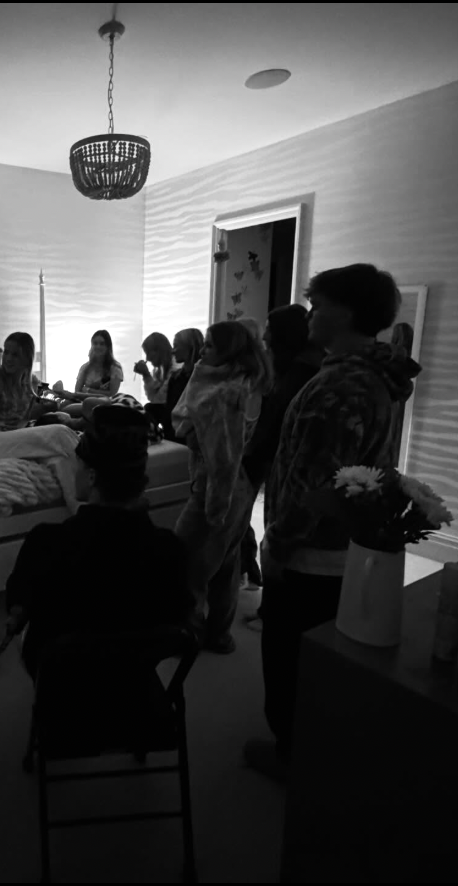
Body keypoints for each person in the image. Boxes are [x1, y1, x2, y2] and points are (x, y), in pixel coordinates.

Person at [245, 264, 421, 782]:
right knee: (315, 658)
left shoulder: (341, 385)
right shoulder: (374, 373)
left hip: (311, 553)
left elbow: (314, 484)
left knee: (287, 660)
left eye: (317, 304)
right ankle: (308, 748)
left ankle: (290, 755)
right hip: (341, 548)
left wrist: (276, 545)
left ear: (344, 312)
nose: (311, 314)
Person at [4, 403, 193, 680]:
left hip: (63, 692)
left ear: (92, 475)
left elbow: (17, 614)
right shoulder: (170, 551)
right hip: (134, 692)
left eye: (76, 463)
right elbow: (177, 626)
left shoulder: (45, 544)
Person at [171, 320, 272, 654]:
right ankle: (219, 634)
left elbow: (219, 454)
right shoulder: (242, 383)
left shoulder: (228, 393)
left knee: (187, 560)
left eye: (211, 345)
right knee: (225, 561)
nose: (203, 352)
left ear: (230, 351)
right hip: (236, 484)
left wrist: (216, 501)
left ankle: (192, 633)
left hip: (219, 485)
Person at [240, 304, 324, 629]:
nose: (264, 336)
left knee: (277, 538)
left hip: (281, 468)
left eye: (269, 329)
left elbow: (272, 426)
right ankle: (268, 609)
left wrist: (246, 461)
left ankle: (272, 613)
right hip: (273, 464)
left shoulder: (299, 374)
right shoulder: (294, 370)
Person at [0, 332, 55, 435]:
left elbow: (29, 415)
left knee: (59, 430)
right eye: (6, 352)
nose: (8, 358)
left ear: (27, 359)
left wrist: (47, 406)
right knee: (57, 434)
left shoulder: (31, 382)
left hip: (17, 434)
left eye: (15, 355)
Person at [53, 330, 124, 413]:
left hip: (104, 405)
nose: (98, 346)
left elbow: (111, 394)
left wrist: (88, 390)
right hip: (82, 401)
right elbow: (77, 391)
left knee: (67, 410)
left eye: (102, 344)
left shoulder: (115, 368)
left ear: (108, 346)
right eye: (95, 343)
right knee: (60, 405)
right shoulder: (85, 367)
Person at [133, 332, 175, 436]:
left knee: (150, 409)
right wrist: (146, 376)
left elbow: (159, 400)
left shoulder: (175, 369)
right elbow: (152, 398)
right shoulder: (159, 370)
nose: (147, 358)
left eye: (148, 353)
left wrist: (146, 375)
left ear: (159, 351)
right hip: (168, 411)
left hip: (173, 411)